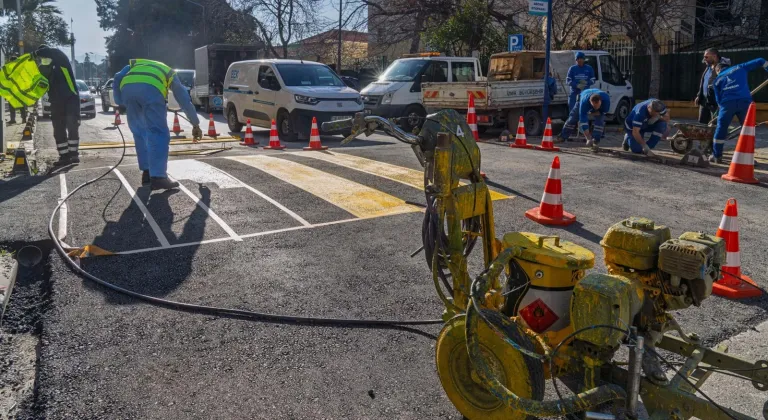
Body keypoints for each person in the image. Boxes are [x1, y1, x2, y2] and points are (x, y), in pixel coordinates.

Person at [113, 59, 202, 190]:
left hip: (127, 91)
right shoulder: (169, 72)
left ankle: (147, 173)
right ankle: (159, 177)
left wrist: (119, 100)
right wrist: (195, 124)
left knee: (139, 132)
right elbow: (184, 100)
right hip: (151, 92)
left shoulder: (134, 65)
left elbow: (117, 76)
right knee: (158, 133)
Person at [710, 58, 768, 163]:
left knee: (721, 129)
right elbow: (760, 60)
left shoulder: (717, 80)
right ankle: (748, 158)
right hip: (745, 102)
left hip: (727, 104)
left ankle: (716, 156)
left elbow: (718, 101)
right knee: (748, 129)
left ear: (718, 70)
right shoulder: (739, 67)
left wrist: (723, 109)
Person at [32, 46, 80, 166]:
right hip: (56, 102)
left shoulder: (60, 60)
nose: (43, 60)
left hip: (71, 98)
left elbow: (50, 51)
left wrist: (34, 53)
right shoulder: (44, 69)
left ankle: (74, 154)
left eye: (44, 57)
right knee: (58, 129)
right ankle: (64, 156)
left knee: (72, 125)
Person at [695, 48, 722, 125]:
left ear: (714, 56)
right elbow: (704, 82)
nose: (704, 59)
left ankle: (715, 137)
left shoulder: (721, 68)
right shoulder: (708, 67)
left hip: (714, 101)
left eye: (706, 57)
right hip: (704, 101)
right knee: (702, 123)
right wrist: (699, 95)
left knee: (715, 124)